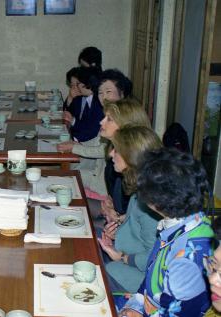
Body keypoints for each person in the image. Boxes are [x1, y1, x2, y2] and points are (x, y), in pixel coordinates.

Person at [119, 148, 214, 317]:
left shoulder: (186, 257)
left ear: (156, 200)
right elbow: (151, 275)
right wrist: (135, 305)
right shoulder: (187, 222)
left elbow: (178, 313)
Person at [98, 126, 162, 293]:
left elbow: (154, 256)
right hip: (127, 259)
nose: (111, 154)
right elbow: (137, 230)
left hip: (141, 280)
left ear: (131, 157)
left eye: (116, 150)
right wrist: (118, 227)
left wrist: (122, 257)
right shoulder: (143, 187)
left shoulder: (151, 199)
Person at [58, 70, 134, 199]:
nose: (103, 96)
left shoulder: (124, 117)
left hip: (105, 186)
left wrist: (75, 147)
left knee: (64, 181)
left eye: (108, 91)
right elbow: (98, 141)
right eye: (100, 92)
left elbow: (103, 150)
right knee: (62, 178)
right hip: (98, 175)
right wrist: (77, 144)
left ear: (122, 93)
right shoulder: (111, 113)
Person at [63, 66, 103, 143]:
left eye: (78, 84)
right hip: (79, 138)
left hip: (88, 145)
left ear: (87, 83)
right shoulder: (87, 98)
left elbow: (92, 132)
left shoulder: (98, 102)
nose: (77, 87)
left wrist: (74, 141)